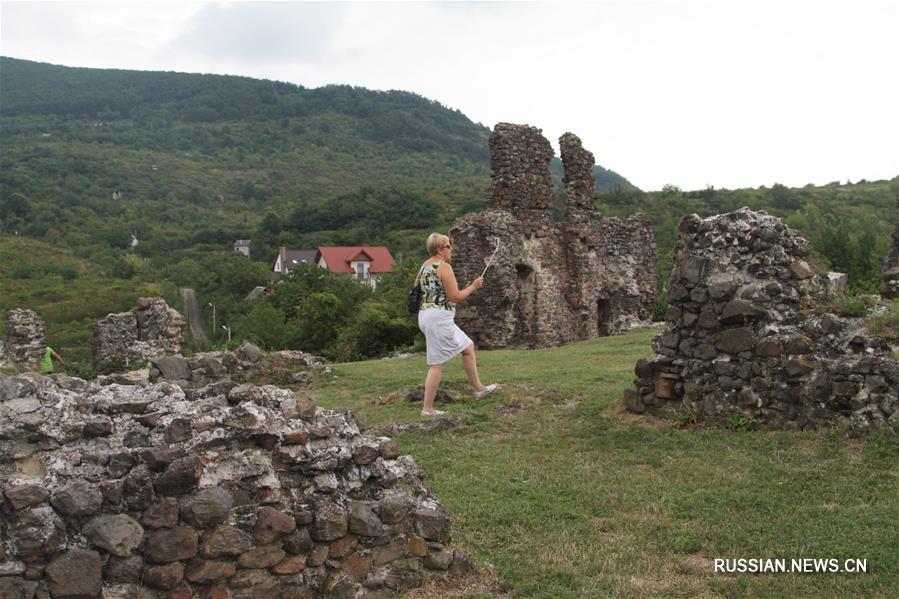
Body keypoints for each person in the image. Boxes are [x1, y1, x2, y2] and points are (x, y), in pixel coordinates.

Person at [417, 232, 498, 417]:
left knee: (468, 346)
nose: (451, 249)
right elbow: (456, 297)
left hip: (426, 315)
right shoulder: (444, 267)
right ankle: (427, 409)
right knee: (437, 363)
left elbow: (418, 289)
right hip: (439, 319)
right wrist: (474, 286)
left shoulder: (424, 266)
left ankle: (478, 389)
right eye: (448, 246)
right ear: (439, 249)